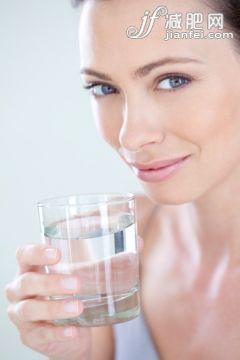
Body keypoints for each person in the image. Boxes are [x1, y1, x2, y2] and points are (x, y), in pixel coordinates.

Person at [5, 0, 240, 359]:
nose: (130, 136)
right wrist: (75, 353)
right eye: (103, 88)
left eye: (173, 80)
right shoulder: (118, 261)